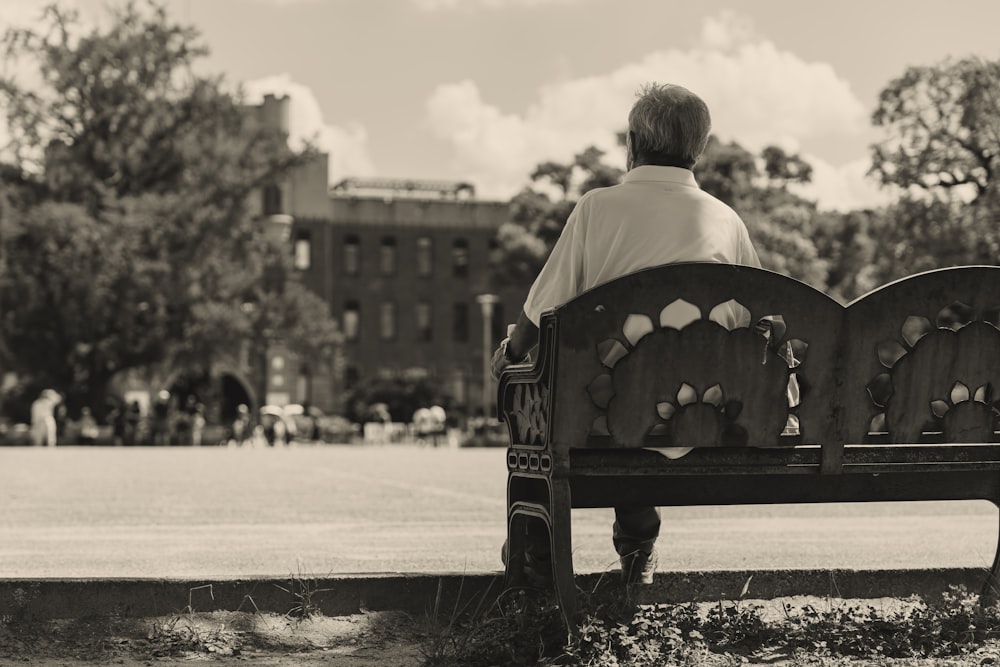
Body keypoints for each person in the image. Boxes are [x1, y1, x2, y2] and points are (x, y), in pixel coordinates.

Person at [492, 83, 762, 587]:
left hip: (613, 420)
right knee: (646, 385)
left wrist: (510, 351)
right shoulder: (727, 221)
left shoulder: (599, 209)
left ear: (632, 141)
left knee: (586, 387)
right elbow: (763, 321)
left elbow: (540, 307)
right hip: (707, 419)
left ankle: (534, 542)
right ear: (699, 149)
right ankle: (638, 544)